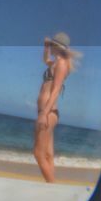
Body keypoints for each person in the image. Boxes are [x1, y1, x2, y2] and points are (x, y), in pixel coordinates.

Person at [34, 31, 77, 183]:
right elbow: (45, 59)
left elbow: (56, 90)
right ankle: (52, 187)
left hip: (48, 112)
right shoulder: (55, 62)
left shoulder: (62, 64)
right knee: (48, 155)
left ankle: (52, 187)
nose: (50, 48)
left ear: (57, 46)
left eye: (52, 45)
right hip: (48, 112)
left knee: (38, 154)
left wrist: (44, 113)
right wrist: (45, 47)